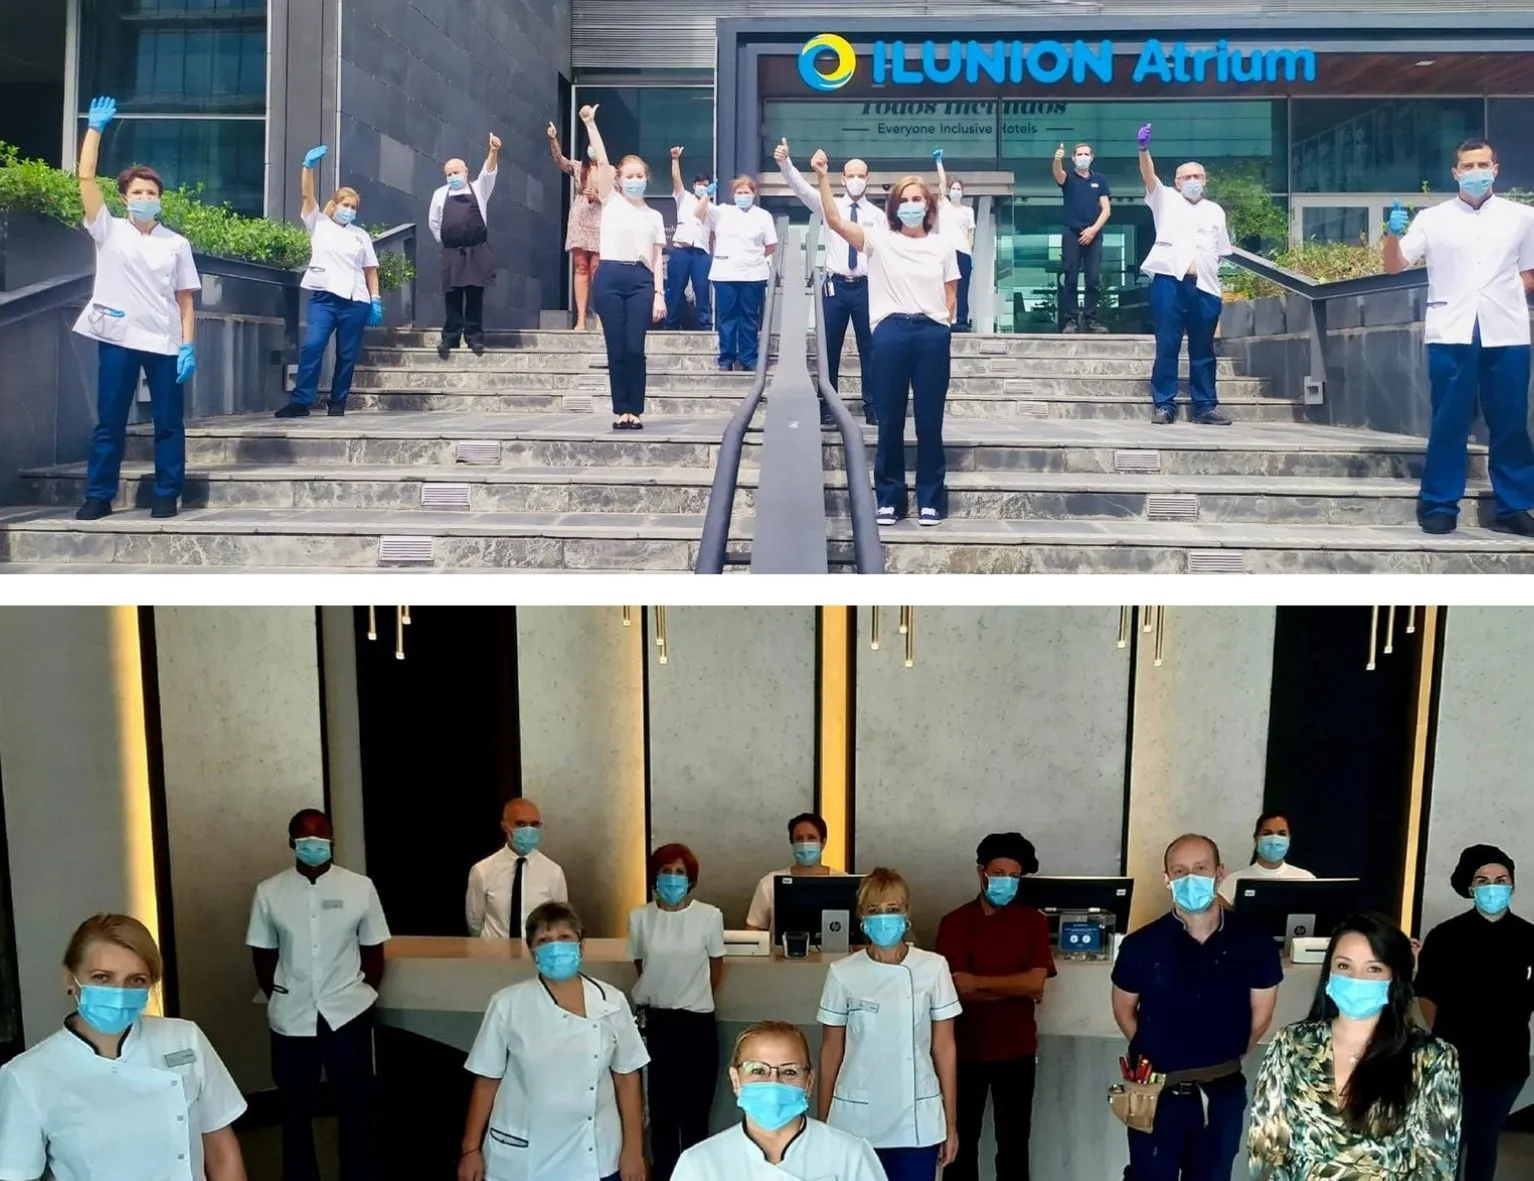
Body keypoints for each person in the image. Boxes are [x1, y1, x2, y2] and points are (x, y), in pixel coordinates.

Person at [0, 914, 247, 1180]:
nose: (119, 993)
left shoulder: (184, 1039)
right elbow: (19, 1175)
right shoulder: (27, 1075)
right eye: (102, 977)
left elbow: (222, 1152)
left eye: (136, 980)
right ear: (70, 980)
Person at [1382, 137, 1534, 536]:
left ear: (1496, 168)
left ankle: (1514, 506)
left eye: (1482, 164)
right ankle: (1439, 503)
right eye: (1467, 167)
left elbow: (1531, 271)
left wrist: (1505, 292)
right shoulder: (1433, 219)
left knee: (1511, 421)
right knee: (1449, 420)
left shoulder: (1522, 217)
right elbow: (1396, 266)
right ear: (1455, 173)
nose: (1475, 173)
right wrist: (1392, 236)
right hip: (1452, 328)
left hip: (1506, 329)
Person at [1110, 834, 1282, 1181]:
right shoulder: (1140, 945)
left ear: (1219, 873)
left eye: (1200, 868)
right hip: (1154, 1092)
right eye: (1180, 870)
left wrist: (1215, 1056)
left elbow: (1261, 1016)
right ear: (1167, 879)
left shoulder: (1254, 942)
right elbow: (1124, 1011)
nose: (1190, 878)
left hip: (1222, 1093)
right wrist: (1161, 1052)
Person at [1247, 912, 1462, 1179]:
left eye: (1374, 968)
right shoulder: (1292, 1045)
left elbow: (1436, 1164)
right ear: (1329, 974)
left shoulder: (1432, 1058)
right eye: (1344, 966)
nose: (1357, 979)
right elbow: (1266, 1149)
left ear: (1395, 978)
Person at [70, 96, 200, 523]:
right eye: (137, 192)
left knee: (168, 424)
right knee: (109, 421)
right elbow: (85, 177)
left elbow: (185, 299)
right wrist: (95, 130)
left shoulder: (176, 243)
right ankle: (99, 494)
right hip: (118, 338)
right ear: (124, 198)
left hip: (164, 342)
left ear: (160, 199)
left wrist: (188, 346)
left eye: (151, 192)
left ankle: (167, 493)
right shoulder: (108, 231)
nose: (145, 197)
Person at [814, 150, 959, 528]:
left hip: (931, 334)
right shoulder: (879, 238)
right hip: (891, 332)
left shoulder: (943, 246)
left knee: (929, 420)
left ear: (928, 206)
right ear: (895, 207)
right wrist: (823, 177)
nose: (911, 205)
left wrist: (942, 323)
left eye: (918, 200)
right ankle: (890, 499)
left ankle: (931, 498)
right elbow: (833, 220)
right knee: (890, 419)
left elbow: (951, 293)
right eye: (905, 200)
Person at [247, 808, 391, 1181]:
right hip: (292, 1017)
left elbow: (374, 952)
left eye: (320, 832)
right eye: (305, 834)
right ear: (292, 841)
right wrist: (282, 993)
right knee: (294, 1111)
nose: (314, 840)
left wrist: (359, 994)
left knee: (355, 1109)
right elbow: (263, 954)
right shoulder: (269, 891)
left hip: (347, 1013)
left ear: (332, 838)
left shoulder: (360, 887)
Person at [458, 901, 648, 1181]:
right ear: (532, 951)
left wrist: (633, 1150)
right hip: (525, 1157)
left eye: (564, 938)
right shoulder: (507, 1004)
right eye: (544, 940)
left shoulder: (612, 1001)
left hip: (595, 1154)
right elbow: (487, 1080)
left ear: (581, 945)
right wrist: (469, 1149)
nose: (555, 947)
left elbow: (627, 1078)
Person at [817, 867, 962, 1181]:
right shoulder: (842, 972)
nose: (884, 918)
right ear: (862, 918)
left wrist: (950, 1125)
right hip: (855, 1119)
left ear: (907, 913)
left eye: (893, 909)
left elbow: (945, 1049)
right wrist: (822, 1126)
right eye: (874, 910)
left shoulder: (933, 968)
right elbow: (831, 1053)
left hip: (917, 1121)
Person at [935, 832, 1056, 1181]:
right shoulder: (955, 922)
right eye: (999, 873)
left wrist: (980, 982)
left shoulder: (1032, 921)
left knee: (1015, 1146)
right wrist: (1013, 987)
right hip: (963, 1051)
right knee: (960, 1145)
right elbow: (955, 989)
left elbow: (1035, 983)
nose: (1006, 882)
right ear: (981, 872)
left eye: (1014, 876)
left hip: (1016, 1050)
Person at [1415, 843, 1534, 1181]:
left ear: (1512, 884)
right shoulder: (1445, 937)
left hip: (1507, 1063)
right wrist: (1439, 1040)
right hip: (1454, 1061)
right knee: (1450, 1142)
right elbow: (1426, 994)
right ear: (1470, 887)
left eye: (1501, 879)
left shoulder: (1529, 937)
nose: (1493, 887)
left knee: (1485, 1140)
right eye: (1483, 880)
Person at [670, 1020, 887, 1181]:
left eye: (790, 1072)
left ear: (809, 1081)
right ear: (736, 1080)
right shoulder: (699, 1164)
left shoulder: (849, 1154)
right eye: (758, 1070)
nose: (774, 1082)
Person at [627, 843, 726, 1181]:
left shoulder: (709, 916)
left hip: (697, 1025)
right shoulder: (639, 917)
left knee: (696, 1117)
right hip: (658, 1024)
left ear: (691, 879)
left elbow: (716, 968)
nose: (672, 879)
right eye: (666, 871)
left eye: (680, 872)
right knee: (662, 1117)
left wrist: (689, 994)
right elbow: (643, 966)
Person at [1135, 122, 1233, 426]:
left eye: (1198, 176)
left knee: (1204, 348)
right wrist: (1143, 150)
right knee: (1168, 344)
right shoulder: (1165, 198)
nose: (1193, 180)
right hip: (1170, 283)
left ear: (1206, 180)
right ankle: (1164, 404)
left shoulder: (1215, 210)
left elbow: (1220, 252)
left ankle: (1205, 405)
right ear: (1177, 182)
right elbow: (1148, 176)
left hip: (1204, 287)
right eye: (1187, 176)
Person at [775, 136, 878, 426]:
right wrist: (785, 163)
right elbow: (801, 189)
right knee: (828, 347)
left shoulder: (878, 215)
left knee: (870, 348)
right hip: (836, 286)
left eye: (861, 175)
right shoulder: (830, 205)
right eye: (851, 175)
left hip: (867, 287)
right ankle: (828, 405)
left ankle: (873, 405)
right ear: (843, 178)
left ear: (867, 179)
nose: (856, 179)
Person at [275, 145, 383, 419]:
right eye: (345, 205)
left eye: (353, 207)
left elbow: (370, 270)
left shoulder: (361, 236)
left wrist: (375, 300)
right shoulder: (318, 223)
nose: (349, 210)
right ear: (334, 205)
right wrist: (307, 167)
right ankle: (301, 401)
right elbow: (306, 194)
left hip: (355, 302)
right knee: (313, 345)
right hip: (324, 299)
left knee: (347, 355)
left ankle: (338, 403)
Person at [582, 103, 667, 430]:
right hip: (610, 277)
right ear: (619, 180)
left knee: (635, 348)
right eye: (628, 176)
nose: (634, 181)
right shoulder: (611, 200)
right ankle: (622, 411)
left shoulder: (655, 216)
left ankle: (637, 409)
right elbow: (602, 160)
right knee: (615, 347)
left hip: (641, 280)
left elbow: (658, 257)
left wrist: (659, 294)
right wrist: (591, 124)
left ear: (647, 179)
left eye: (639, 176)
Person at [429, 133, 501, 360]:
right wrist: (448, 242)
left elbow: (488, 172)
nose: (453, 176)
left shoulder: (479, 189)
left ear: (466, 171)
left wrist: (493, 152)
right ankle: (450, 338)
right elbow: (434, 222)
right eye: (449, 174)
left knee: (474, 295)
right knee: (452, 295)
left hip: (476, 250)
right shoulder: (440, 194)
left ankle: (474, 338)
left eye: (456, 172)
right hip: (452, 251)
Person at [695, 176, 777, 372]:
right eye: (739, 193)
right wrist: (706, 194)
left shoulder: (763, 216)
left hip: (753, 274)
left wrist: (753, 258)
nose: (743, 196)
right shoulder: (722, 211)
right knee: (727, 318)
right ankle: (726, 359)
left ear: (754, 194)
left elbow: (771, 245)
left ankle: (749, 359)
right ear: (733, 195)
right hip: (725, 274)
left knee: (749, 317)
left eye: (746, 192)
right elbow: (698, 213)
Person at [466, 797, 569, 939]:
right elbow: (475, 922)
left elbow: (561, 921)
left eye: (534, 824)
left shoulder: (553, 872)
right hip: (493, 955)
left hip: (535, 954)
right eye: (521, 824)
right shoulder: (482, 871)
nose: (528, 830)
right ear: (504, 826)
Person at [745, 812, 849, 933]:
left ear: (823, 842)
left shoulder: (844, 881)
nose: (805, 844)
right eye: (799, 839)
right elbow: (753, 929)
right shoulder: (769, 883)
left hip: (837, 952)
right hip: (781, 952)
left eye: (811, 838)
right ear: (792, 844)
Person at [546, 120, 604, 331]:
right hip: (580, 218)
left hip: (601, 218)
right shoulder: (580, 167)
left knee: (598, 268)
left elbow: (618, 197)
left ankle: (600, 317)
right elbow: (560, 161)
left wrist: (599, 196)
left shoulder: (611, 172)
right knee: (581, 266)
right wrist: (553, 139)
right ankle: (581, 319)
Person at [1051, 140, 1112, 334]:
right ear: (1073, 157)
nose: (1083, 158)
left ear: (1092, 158)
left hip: (1093, 234)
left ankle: (1091, 319)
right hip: (1071, 233)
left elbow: (1106, 210)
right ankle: (1070, 320)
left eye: (1086, 155)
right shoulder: (1069, 177)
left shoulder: (1100, 180)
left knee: (1093, 278)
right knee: (1070, 277)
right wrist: (1056, 160)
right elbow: (1058, 175)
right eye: (1079, 155)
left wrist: (1093, 230)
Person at [1216, 812, 1318, 905]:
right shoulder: (1233, 881)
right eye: (1267, 833)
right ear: (1256, 838)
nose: (1274, 839)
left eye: (1281, 834)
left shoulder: (1306, 879)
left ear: (1289, 838)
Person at [664, 147, 714, 331]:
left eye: (705, 184)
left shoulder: (712, 207)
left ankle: (705, 326)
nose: (701, 186)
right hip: (681, 251)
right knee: (675, 290)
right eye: (699, 183)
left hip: (701, 254)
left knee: (702, 291)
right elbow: (676, 181)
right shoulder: (683, 198)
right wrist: (675, 159)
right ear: (694, 186)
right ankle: (670, 326)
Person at [933, 150, 975, 332]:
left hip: (963, 253)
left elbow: (970, 235)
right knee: (944, 287)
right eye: (953, 188)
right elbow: (941, 182)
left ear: (962, 192)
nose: (956, 191)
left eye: (959, 189)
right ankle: (944, 319)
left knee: (962, 289)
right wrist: (939, 162)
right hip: (945, 252)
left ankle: (962, 321)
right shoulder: (944, 205)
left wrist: (971, 254)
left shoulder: (968, 211)